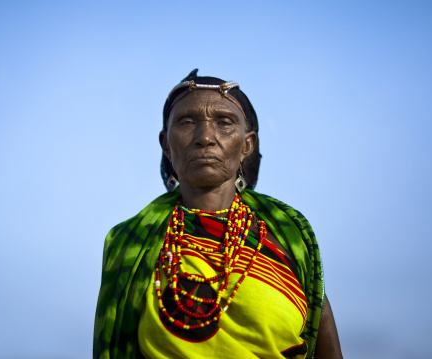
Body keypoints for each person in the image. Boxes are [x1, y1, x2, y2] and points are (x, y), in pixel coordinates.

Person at [94, 70, 342, 359]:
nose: (206, 137)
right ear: (165, 143)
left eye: (224, 123)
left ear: (247, 145)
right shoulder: (132, 243)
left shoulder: (288, 234)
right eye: (187, 122)